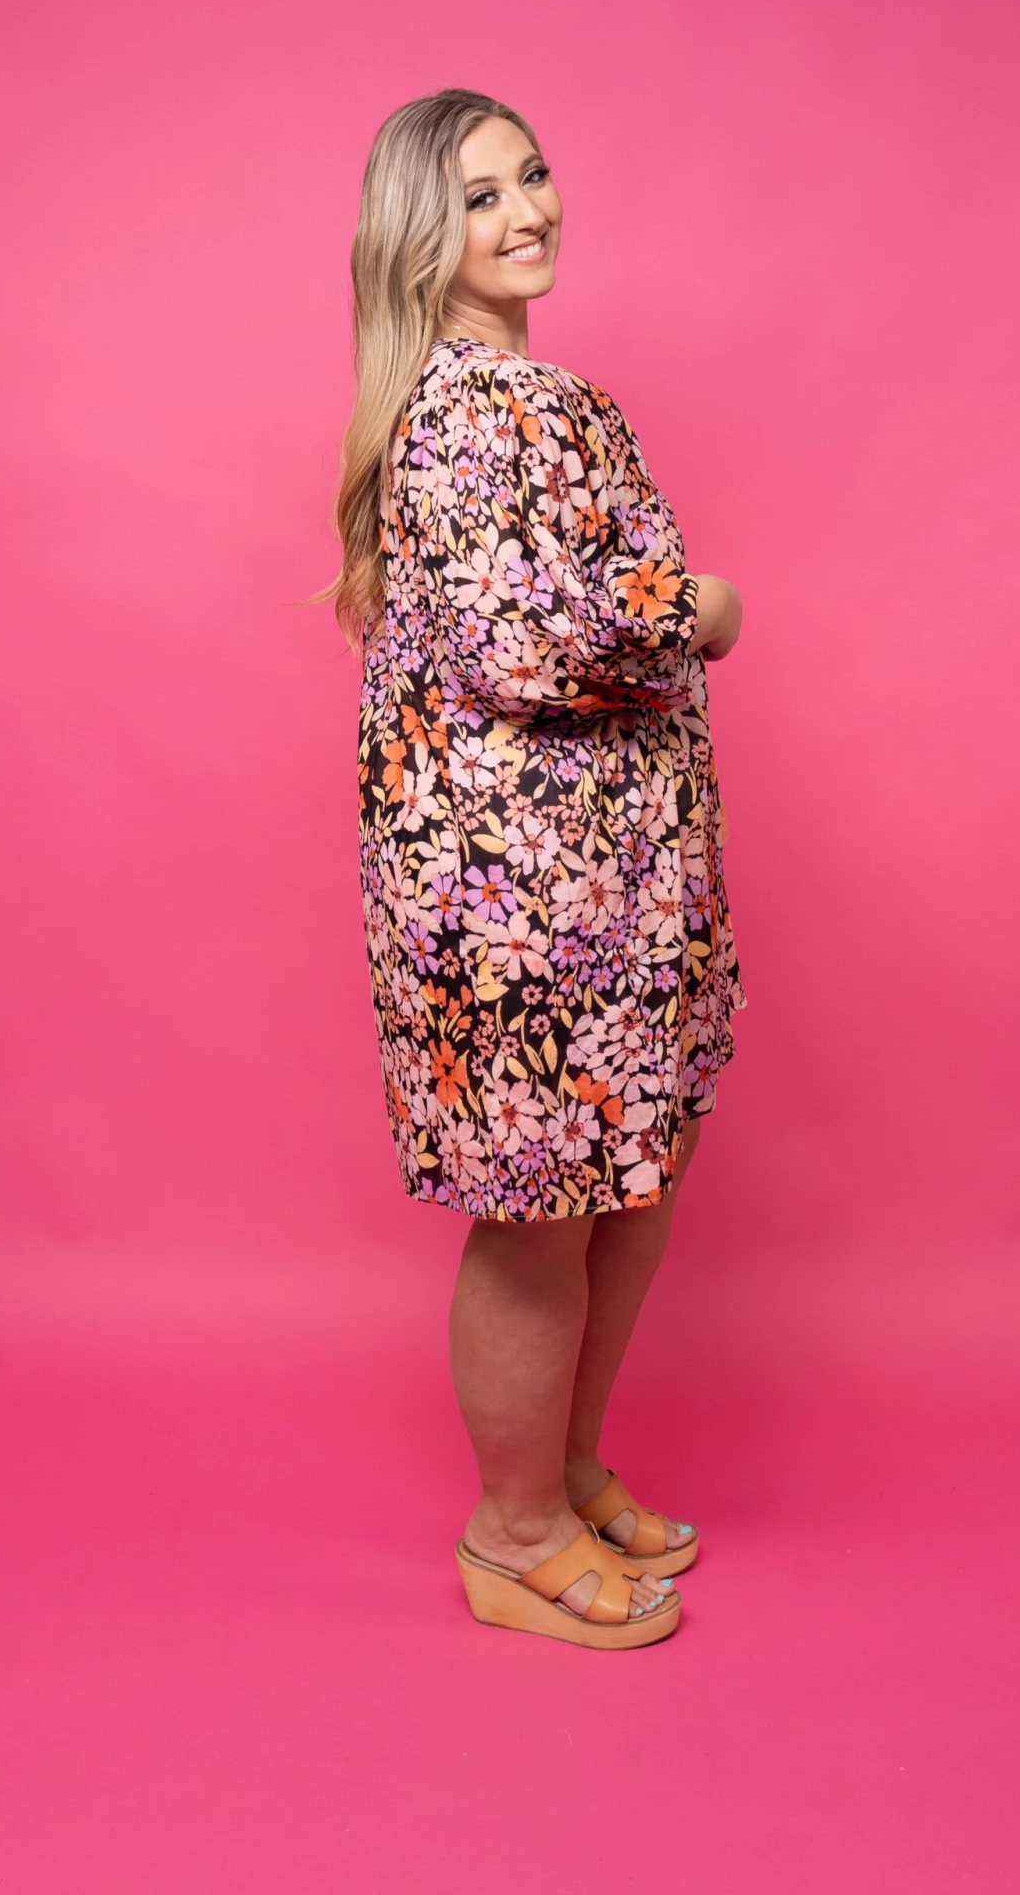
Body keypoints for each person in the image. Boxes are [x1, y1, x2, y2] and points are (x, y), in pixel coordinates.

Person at [316, 88, 746, 1648]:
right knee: (544, 1205)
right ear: (422, 238)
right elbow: (530, 643)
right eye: (483, 196)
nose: (528, 211)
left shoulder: (525, 391)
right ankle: (510, 1537)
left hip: (608, 871)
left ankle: (558, 1473)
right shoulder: (467, 406)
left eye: (535, 175)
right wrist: (700, 610)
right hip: (520, 897)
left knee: (629, 1178)